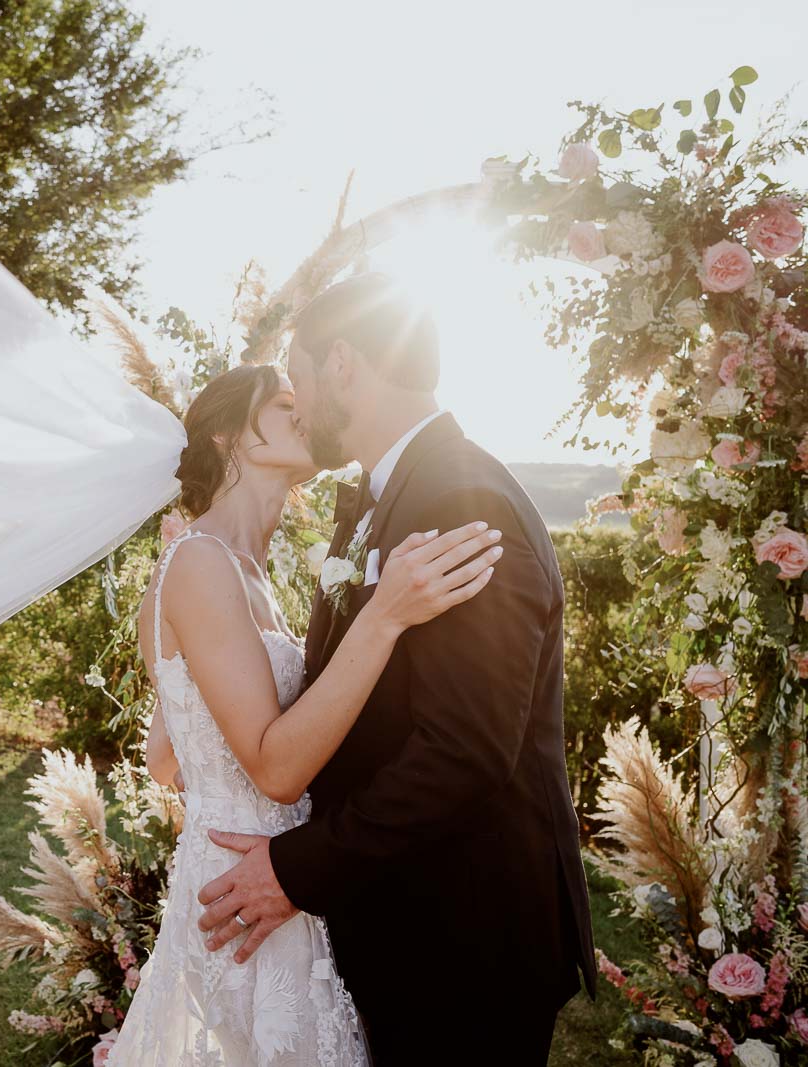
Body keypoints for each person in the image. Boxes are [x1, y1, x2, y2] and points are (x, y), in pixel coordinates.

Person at [191, 274, 595, 1065]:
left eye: (299, 377)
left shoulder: (459, 495)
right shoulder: (392, 492)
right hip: (406, 910)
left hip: (466, 936)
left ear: (343, 363)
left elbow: (466, 747)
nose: (298, 402)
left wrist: (299, 868)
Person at [108, 356, 503, 1066]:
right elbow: (276, 769)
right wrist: (383, 617)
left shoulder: (243, 568)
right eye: (284, 404)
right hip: (249, 899)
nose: (304, 413)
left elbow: (165, 760)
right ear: (229, 436)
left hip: (273, 881)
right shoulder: (201, 563)